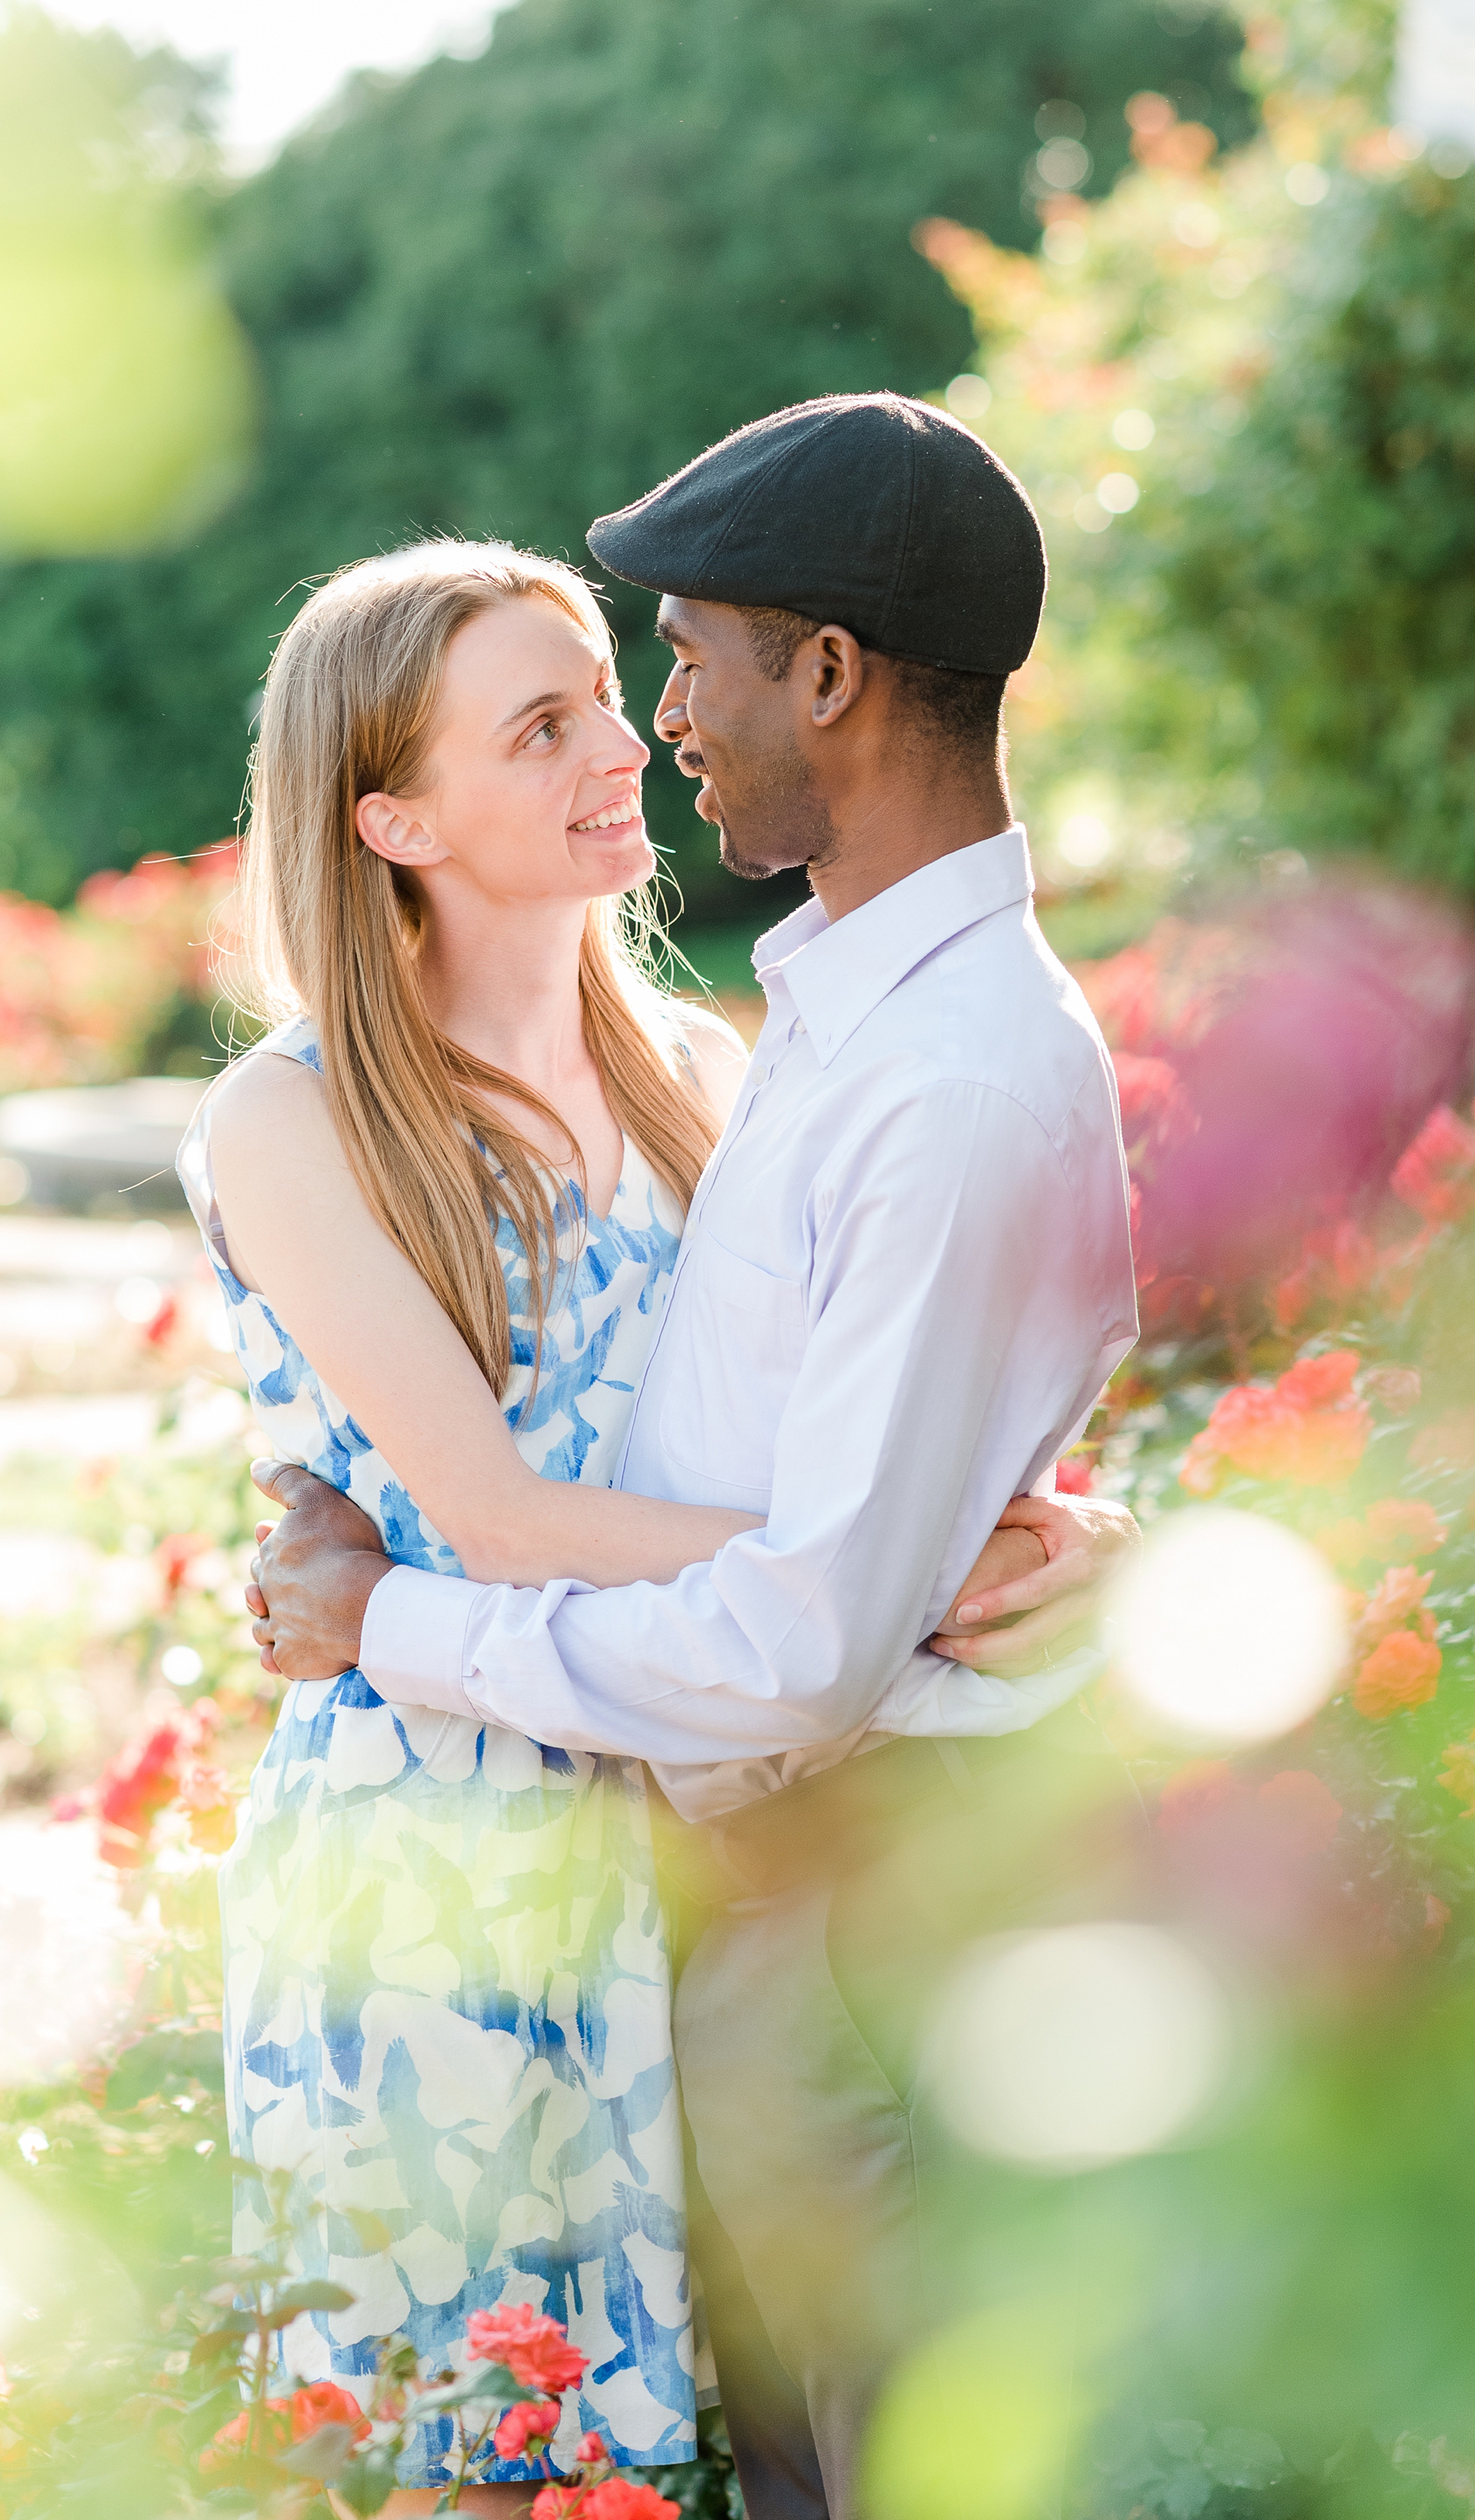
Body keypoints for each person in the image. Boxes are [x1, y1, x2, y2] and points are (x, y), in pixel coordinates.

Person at [241, 393, 1142, 2520]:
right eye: (543, 722)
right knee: (514, 2441)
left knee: (746, 2447)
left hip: (710, 1852)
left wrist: (995, 1549)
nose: (647, 729)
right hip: (474, 1858)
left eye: (662, 669)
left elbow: (846, 1537)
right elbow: (627, 1514)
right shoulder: (788, 1038)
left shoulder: (784, 1070)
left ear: (825, 666)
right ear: (388, 817)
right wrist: (904, 1561)